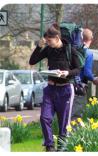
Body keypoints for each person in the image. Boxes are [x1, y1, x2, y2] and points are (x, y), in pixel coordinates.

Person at [29, 24, 81, 152]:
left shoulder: (69, 50)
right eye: (46, 41)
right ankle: (49, 145)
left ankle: (62, 147)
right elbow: (32, 61)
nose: (48, 42)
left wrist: (67, 73)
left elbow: (78, 69)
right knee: (44, 117)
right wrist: (39, 47)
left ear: (57, 37)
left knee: (63, 122)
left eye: (49, 40)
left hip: (66, 89)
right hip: (50, 89)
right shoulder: (48, 49)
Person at [70, 28, 98, 121]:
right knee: (76, 114)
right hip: (79, 86)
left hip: (68, 84)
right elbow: (87, 73)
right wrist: (94, 79)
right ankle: (72, 134)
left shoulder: (71, 49)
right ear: (91, 39)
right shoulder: (88, 53)